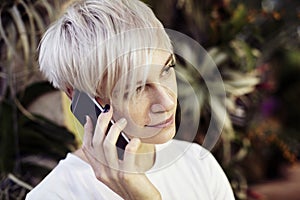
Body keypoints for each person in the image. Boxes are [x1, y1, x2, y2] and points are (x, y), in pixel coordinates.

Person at [26, 0, 235, 199]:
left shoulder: (198, 164)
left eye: (166, 70)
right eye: (137, 88)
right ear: (82, 99)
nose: (168, 103)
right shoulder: (55, 195)